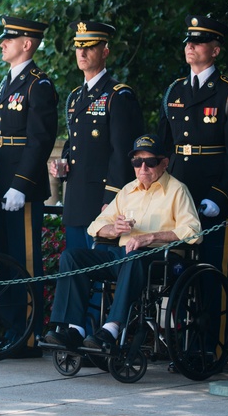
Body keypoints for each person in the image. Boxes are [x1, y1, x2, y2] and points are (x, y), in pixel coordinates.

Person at [44, 134, 201, 351]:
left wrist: (152, 237)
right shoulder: (128, 190)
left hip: (158, 260)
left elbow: (193, 231)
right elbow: (95, 226)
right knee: (72, 257)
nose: (142, 168)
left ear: (164, 163)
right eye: (137, 162)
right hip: (123, 255)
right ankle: (74, 329)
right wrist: (113, 229)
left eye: (150, 162)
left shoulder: (177, 190)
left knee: (136, 257)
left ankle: (111, 329)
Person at [156, 15, 228, 281]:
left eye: (199, 42)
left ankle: (217, 324)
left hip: (213, 194)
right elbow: (163, 147)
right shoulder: (174, 91)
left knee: (212, 273)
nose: (191, 45)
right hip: (178, 192)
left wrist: (220, 195)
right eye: (189, 40)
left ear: (215, 50)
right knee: (173, 271)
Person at [0, 15, 59, 349]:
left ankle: (28, 336)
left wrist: (19, 184)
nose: (2, 43)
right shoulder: (9, 81)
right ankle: (10, 329)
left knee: (25, 262)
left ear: (27, 44)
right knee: (4, 260)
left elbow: (39, 141)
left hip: (23, 187)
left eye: (9, 39)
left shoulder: (38, 85)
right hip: (3, 183)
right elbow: (2, 140)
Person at [51, 21, 144, 251]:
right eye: (78, 46)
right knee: (75, 272)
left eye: (89, 47)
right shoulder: (75, 97)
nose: (81, 52)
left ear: (105, 52)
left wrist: (111, 199)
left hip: (102, 202)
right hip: (76, 200)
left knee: (100, 276)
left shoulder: (118, 95)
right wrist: (62, 165)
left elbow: (123, 154)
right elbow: (74, 143)